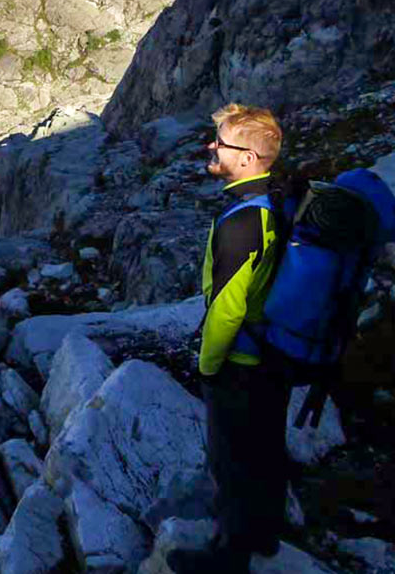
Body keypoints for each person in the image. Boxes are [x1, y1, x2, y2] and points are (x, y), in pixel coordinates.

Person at [168, 103, 290, 574]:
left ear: (247, 159)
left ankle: (227, 558)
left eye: (220, 141)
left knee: (231, 460)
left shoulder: (242, 221)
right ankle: (265, 533)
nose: (211, 146)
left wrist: (208, 365)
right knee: (265, 448)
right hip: (274, 352)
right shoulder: (273, 200)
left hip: (242, 361)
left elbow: (227, 307)